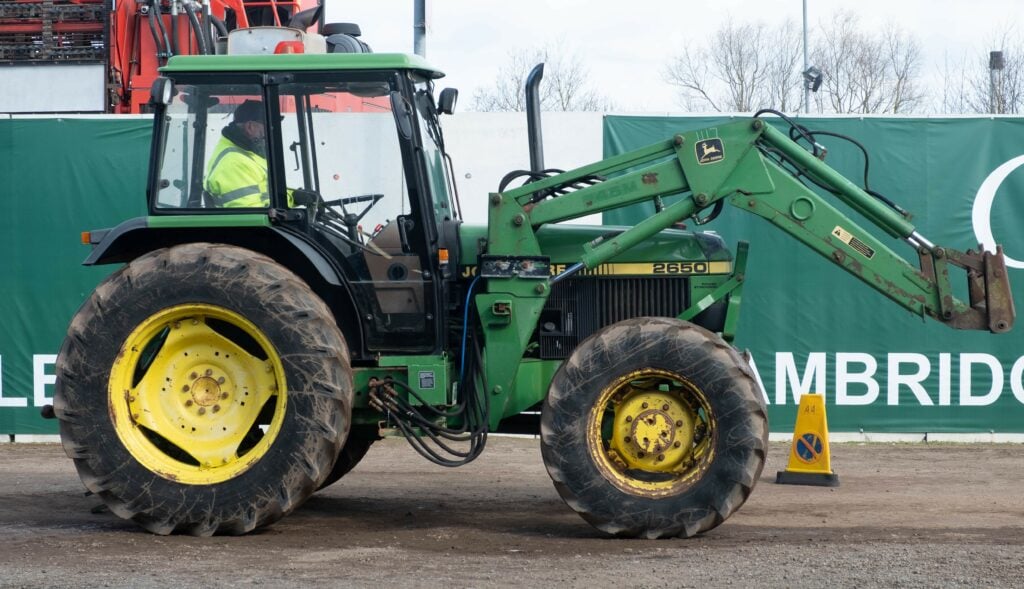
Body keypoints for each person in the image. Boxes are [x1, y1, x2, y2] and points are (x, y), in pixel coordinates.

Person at [205, 100, 272, 207]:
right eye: (267, 126)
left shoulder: (246, 152)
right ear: (250, 127)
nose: (270, 132)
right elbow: (251, 214)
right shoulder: (235, 162)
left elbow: (267, 192)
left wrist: (294, 196)